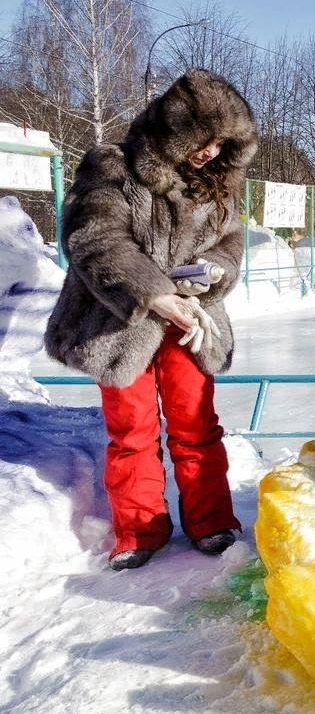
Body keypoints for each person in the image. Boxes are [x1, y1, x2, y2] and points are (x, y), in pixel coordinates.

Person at [44, 69, 259, 570]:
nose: (210, 152)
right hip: (119, 322)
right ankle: (139, 531)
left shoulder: (214, 186)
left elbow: (230, 246)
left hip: (191, 322)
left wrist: (213, 273)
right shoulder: (110, 169)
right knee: (132, 431)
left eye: (221, 143)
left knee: (196, 427)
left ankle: (210, 522)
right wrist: (153, 294)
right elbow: (94, 240)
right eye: (203, 139)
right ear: (174, 130)